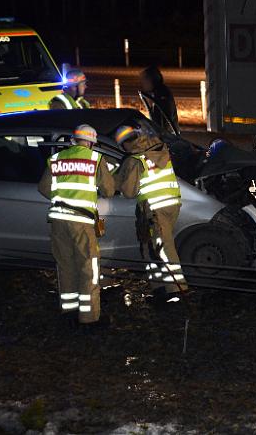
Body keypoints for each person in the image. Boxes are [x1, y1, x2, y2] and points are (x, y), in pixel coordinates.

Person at [38, 124, 114, 329]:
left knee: (66, 266)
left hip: (58, 221)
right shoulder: (95, 159)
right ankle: (90, 319)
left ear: (74, 139)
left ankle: (69, 312)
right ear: (90, 142)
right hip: (81, 222)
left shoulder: (57, 159)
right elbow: (109, 190)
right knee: (89, 269)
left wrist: (64, 197)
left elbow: (44, 188)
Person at [114, 125, 187, 303]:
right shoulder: (159, 149)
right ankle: (160, 290)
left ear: (124, 144)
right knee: (150, 249)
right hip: (172, 204)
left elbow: (130, 192)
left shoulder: (135, 160)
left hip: (154, 209)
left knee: (162, 249)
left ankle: (177, 292)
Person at [140, 66, 179, 134]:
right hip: (168, 134)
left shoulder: (161, 95)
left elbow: (161, 121)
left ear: (151, 80)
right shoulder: (158, 93)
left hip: (168, 137)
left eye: (144, 79)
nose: (143, 83)